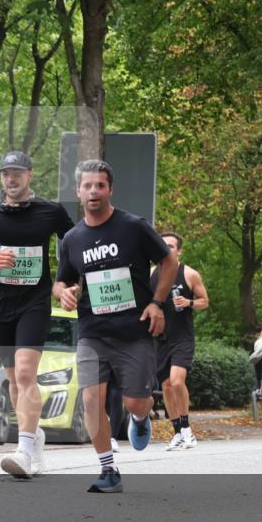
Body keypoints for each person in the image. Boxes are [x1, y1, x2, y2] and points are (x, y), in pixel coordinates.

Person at [53, 159, 177, 493]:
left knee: (134, 402)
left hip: (134, 330)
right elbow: (60, 280)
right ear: (78, 191)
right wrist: (63, 292)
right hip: (93, 333)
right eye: (87, 186)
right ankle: (109, 470)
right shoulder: (72, 239)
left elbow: (169, 261)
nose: (94, 192)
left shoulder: (133, 226)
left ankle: (140, 417)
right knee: (91, 400)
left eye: (100, 186)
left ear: (110, 189)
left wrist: (157, 302)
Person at [0, 150, 75, 479]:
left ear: (29, 176)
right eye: (6, 173)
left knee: (25, 374)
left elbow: (76, 241)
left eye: (17, 173)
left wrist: (69, 280)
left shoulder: (49, 212)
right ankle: (34, 435)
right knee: (13, 379)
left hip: (34, 303)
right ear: (1, 177)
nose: (11, 178)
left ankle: (23, 449)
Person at [151, 232, 209, 452]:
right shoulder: (152, 274)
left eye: (171, 246)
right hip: (160, 339)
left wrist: (189, 302)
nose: (167, 250)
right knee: (166, 386)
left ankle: (186, 428)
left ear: (179, 251)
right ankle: (176, 432)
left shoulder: (190, 274)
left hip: (182, 337)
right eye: (163, 246)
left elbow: (205, 301)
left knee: (176, 381)